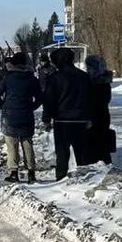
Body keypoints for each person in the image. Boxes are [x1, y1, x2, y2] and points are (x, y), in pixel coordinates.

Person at [0, 52, 43, 184]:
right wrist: (32, 107)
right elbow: (40, 97)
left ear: (12, 63)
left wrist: (3, 106)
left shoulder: (8, 78)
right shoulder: (32, 79)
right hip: (26, 114)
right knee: (27, 143)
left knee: (11, 145)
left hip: (10, 117)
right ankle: (31, 173)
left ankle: (14, 173)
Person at [41, 47, 91, 181]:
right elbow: (90, 99)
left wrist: (46, 118)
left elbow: (49, 100)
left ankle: (61, 178)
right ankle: (85, 178)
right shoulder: (84, 77)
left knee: (62, 152)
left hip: (62, 121)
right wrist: (90, 117)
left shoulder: (54, 78)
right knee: (82, 152)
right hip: (81, 120)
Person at [82, 54, 114, 167]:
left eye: (90, 67)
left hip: (97, 116)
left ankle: (102, 166)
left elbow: (100, 101)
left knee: (98, 144)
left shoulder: (100, 81)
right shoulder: (100, 79)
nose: (88, 69)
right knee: (96, 144)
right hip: (99, 116)